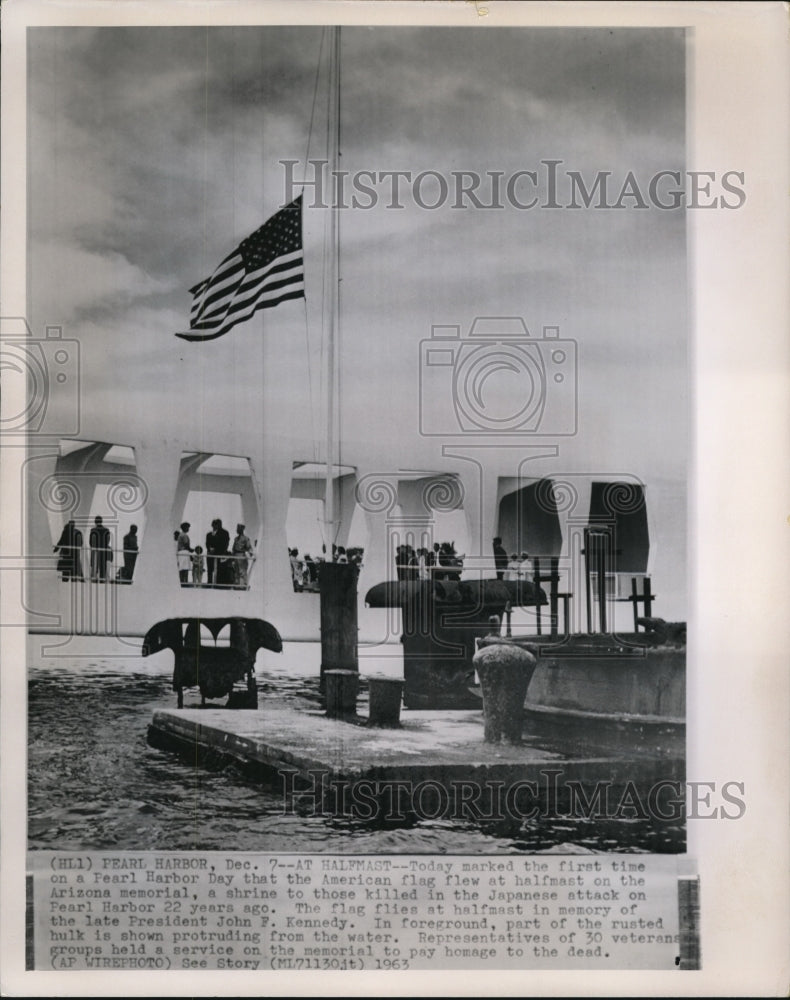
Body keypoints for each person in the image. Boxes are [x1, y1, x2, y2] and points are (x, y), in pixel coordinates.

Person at [206, 518, 230, 586]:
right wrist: (209, 549)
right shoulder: (209, 534)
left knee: (220, 569)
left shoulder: (224, 533)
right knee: (210, 569)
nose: (215, 526)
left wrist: (218, 551)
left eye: (216, 524)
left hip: (220, 554)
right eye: (214, 524)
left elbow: (225, 544)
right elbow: (207, 543)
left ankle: (219, 584)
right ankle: (209, 583)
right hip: (210, 555)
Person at [89, 516, 112, 582]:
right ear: (101, 521)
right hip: (104, 550)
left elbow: (90, 542)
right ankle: (102, 579)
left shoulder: (93, 530)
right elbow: (108, 540)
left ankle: (94, 579)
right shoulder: (106, 530)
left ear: (95, 522)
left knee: (95, 565)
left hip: (95, 550)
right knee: (102, 565)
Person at [232, 523, 253, 588]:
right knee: (236, 571)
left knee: (242, 571)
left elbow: (249, 547)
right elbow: (234, 548)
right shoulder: (236, 539)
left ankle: (242, 586)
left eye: (239, 528)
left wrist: (250, 553)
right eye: (237, 528)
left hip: (241, 555)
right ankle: (237, 585)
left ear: (242, 529)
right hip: (236, 555)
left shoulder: (245, 538)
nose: (237, 530)